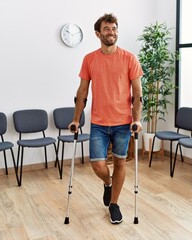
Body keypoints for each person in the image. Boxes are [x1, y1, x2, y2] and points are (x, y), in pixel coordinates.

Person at [69, 13, 143, 224]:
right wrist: (76, 119)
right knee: (97, 165)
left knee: (120, 162)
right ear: (98, 33)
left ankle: (114, 204)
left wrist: (136, 119)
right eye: (107, 29)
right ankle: (108, 183)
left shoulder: (129, 58)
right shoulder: (90, 59)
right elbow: (82, 91)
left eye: (114, 28)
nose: (112, 32)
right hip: (99, 123)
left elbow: (137, 93)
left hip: (122, 122)